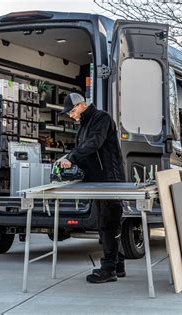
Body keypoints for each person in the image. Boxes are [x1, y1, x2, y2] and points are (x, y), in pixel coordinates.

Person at [60, 93, 126, 283]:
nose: (71, 116)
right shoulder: (83, 125)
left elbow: (94, 143)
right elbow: (84, 150)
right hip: (97, 180)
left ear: (81, 105)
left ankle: (108, 269)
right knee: (107, 222)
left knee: (109, 222)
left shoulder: (101, 118)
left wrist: (71, 157)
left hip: (109, 179)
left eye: (72, 111)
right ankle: (118, 264)